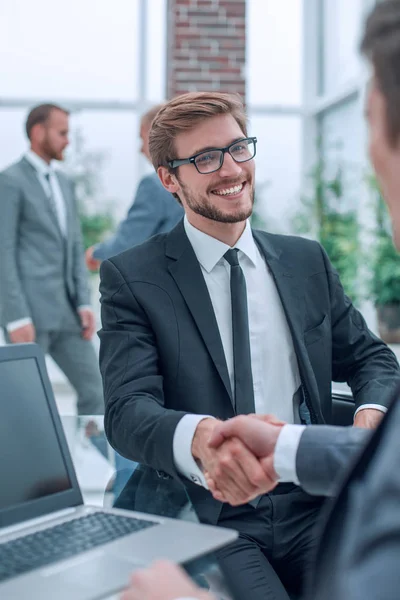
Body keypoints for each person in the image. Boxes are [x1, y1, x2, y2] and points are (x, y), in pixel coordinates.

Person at [119, 1, 400, 599]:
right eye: (204, 159)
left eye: (237, 147)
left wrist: (367, 428)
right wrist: (199, 439)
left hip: (315, 489)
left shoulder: (305, 260)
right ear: (170, 180)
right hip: (218, 512)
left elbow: (371, 360)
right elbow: (127, 409)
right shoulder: (134, 276)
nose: (230, 170)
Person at [0, 103, 103, 415]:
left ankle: (90, 461)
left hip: (68, 314)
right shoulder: (10, 181)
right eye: (62, 133)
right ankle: (26, 465)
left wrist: (84, 303)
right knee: (25, 405)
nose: (67, 141)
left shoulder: (65, 183)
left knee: (97, 391)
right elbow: (3, 251)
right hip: (29, 316)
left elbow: (74, 246)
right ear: (37, 132)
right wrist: (15, 316)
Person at [85, 104, 183, 270]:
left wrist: (96, 253)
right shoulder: (191, 177)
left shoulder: (155, 185)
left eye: (141, 138)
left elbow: (130, 240)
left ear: (156, 136)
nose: (140, 149)